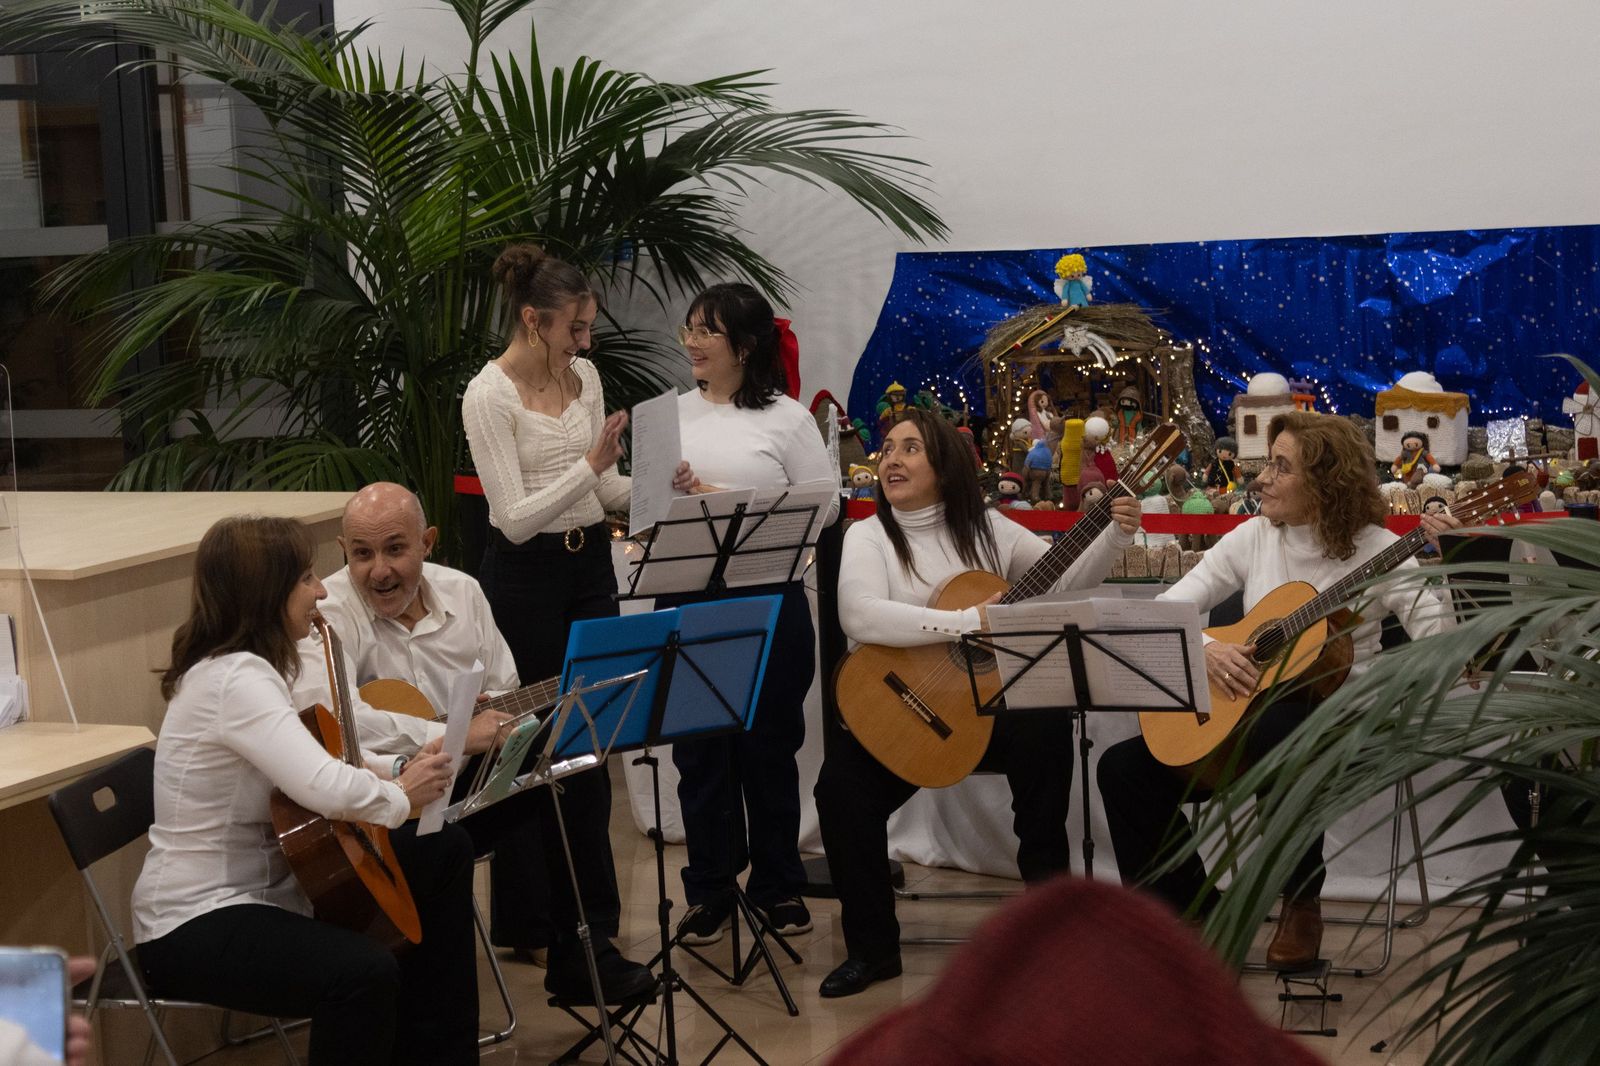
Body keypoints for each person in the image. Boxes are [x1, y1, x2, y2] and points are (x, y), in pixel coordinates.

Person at [1097, 411, 1458, 968]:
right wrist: (1207, 649)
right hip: (1247, 717)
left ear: (1326, 481)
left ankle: (1301, 901)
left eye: (1280, 467)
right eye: (1267, 463)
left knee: (1278, 728)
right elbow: (1166, 610)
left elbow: (1443, 650)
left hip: (1340, 725)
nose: (1261, 478)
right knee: (1121, 768)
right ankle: (1188, 910)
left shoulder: (1381, 548)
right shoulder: (1254, 536)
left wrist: (1445, 566)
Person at [813, 409, 1140, 997]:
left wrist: (1114, 535)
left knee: (1044, 726)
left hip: (986, 713)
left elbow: (1063, 581)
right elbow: (859, 615)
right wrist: (966, 622)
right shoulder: (869, 534)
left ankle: (1047, 930)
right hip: (907, 707)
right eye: (889, 448)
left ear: (943, 466)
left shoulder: (989, 528)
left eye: (910, 448)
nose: (891, 460)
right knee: (839, 792)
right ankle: (872, 949)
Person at [132, 516, 477, 1065]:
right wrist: (400, 795)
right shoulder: (234, 680)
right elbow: (322, 785)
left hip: (271, 893)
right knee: (361, 974)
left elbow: (324, 756)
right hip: (196, 920)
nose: (321, 592)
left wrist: (401, 768)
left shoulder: (255, 668)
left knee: (442, 850)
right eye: (306, 578)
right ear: (266, 593)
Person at [294, 482, 654, 1003]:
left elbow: (507, 688)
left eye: (395, 549)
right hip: (383, 805)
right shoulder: (327, 612)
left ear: (427, 542)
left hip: (466, 787)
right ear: (342, 549)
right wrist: (453, 734)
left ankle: (579, 949)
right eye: (362, 554)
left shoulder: (464, 592)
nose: (379, 571)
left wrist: (496, 719)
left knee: (569, 755)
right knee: (445, 841)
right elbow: (339, 722)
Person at [461, 244, 693, 985]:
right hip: (524, 578)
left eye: (588, 327)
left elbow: (603, 491)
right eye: (575, 328)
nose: (586, 343)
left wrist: (658, 491)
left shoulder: (584, 379)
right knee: (535, 752)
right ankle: (541, 928)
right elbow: (512, 518)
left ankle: (593, 938)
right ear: (533, 320)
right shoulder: (487, 394)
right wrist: (589, 467)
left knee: (592, 751)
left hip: (589, 565)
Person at [668, 282, 840, 946]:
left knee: (768, 748)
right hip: (688, 595)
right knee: (699, 753)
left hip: (769, 599)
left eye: (705, 331)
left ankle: (777, 885)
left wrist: (724, 497)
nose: (691, 342)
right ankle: (710, 890)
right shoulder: (670, 414)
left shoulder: (787, 418)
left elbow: (825, 506)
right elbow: (649, 505)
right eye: (688, 329)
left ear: (744, 346)